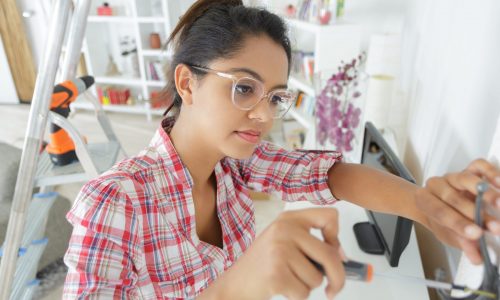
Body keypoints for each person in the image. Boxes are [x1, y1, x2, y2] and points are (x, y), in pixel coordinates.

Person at [63, 1, 500, 299]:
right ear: (186, 83)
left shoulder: (234, 164)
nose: (264, 115)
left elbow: (329, 175)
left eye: (275, 97)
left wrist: (424, 205)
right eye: (244, 88)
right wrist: (234, 288)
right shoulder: (113, 201)